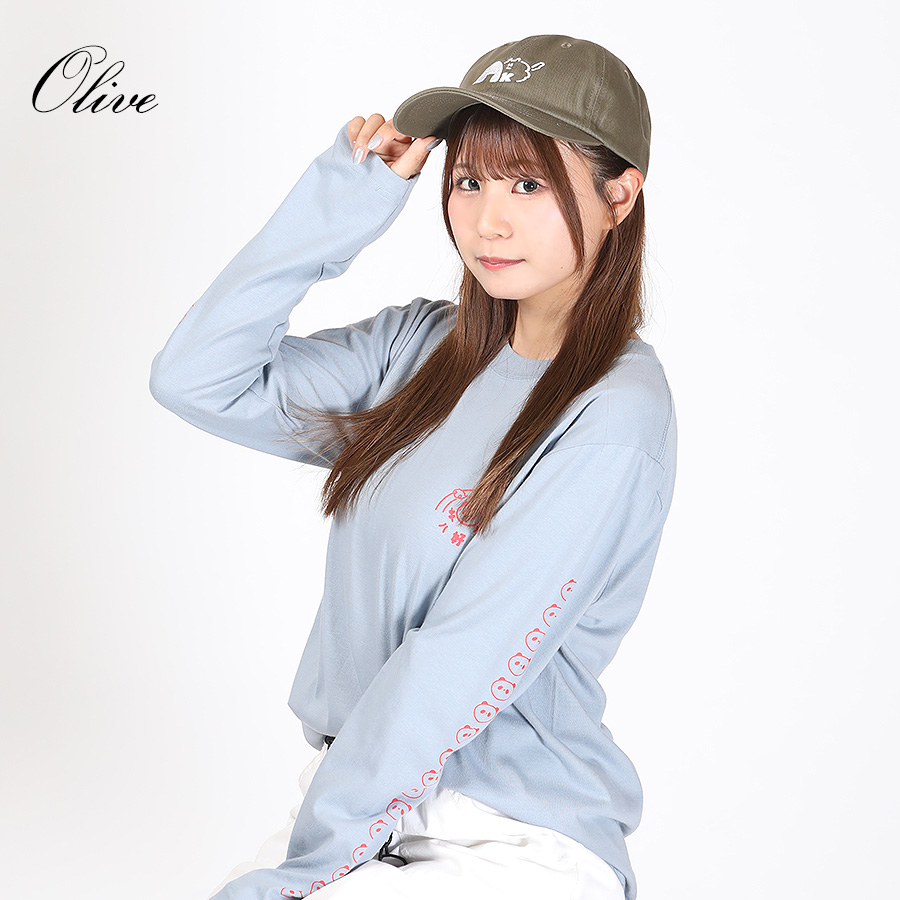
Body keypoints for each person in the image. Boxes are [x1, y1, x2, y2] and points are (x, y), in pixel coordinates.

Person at [149, 33, 675, 900]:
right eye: (468, 181)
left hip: (507, 834)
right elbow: (197, 377)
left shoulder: (614, 414)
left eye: (528, 184)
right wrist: (341, 204)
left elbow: (457, 666)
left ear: (618, 195)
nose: (488, 220)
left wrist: (306, 871)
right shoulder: (419, 350)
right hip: (360, 806)